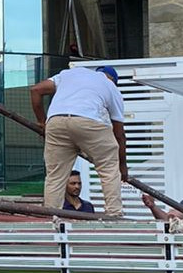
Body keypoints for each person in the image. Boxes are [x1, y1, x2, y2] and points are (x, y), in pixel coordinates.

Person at [30, 65, 127, 218]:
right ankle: (114, 214)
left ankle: (51, 217)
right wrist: (122, 166)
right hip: (90, 121)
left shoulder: (70, 74)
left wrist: (42, 122)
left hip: (56, 121)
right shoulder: (110, 86)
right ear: (113, 80)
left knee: (55, 176)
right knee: (109, 169)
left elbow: (35, 90)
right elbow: (119, 134)